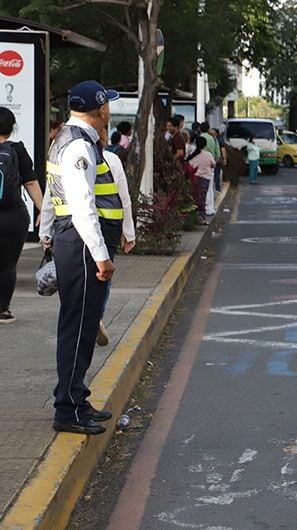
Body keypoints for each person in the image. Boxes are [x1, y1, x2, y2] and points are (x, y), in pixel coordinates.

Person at [45, 80, 124, 435]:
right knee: (78, 328)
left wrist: (46, 231)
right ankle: (68, 410)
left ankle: (75, 396)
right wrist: (101, 255)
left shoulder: (65, 138)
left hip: (71, 242)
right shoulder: (79, 147)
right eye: (108, 105)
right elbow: (82, 207)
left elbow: (51, 194)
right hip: (80, 244)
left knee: (82, 325)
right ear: (101, 109)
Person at [41, 126, 135, 347]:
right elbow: (124, 197)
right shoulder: (111, 159)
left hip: (69, 229)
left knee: (71, 277)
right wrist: (128, 232)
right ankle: (95, 316)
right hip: (105, 228)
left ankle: (78, 318)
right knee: (102, 276)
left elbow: (50, 193)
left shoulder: (62, 151)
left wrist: (45, 229)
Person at [0, 106, 44, 325]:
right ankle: (3, 311)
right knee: (7, 265)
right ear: (12, 128)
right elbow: (31, 182)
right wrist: (44, 212)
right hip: (13, 217)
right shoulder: (16, 149)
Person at [186, 136, 217, 224]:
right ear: (205, 145)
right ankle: (201, 217)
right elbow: (213, 165)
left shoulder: (192, 154)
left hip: (193, 178)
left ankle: (194, 215)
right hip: (205, 179)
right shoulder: (208, 154)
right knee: (202, 197)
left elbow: (188, 164)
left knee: (194, 196)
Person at [199, 122, 221, 203]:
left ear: (200, 129)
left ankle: (202, 203)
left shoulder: (199, 137)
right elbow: (217, 153)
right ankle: (209, 205)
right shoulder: (213, 138)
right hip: (211, 163)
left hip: (200, 164)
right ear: (208, 129)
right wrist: (215, 163)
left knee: (200, 186)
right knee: (210, 186)